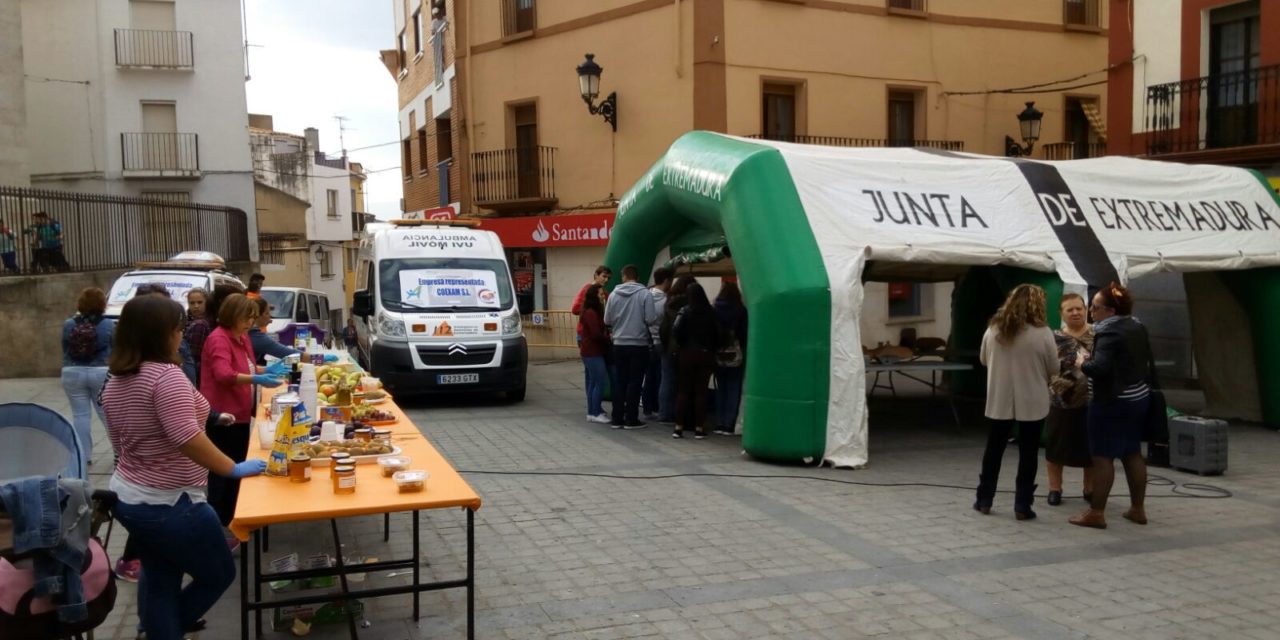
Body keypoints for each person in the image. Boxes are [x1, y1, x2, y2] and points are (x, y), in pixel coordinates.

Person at [101, 294, 266, 640]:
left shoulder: (115, 381)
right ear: (163, 334)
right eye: (178, 328)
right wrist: (232, 468)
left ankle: (157, 627)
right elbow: (187, 438)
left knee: (161, 574)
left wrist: (216, 417)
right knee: (218, 573)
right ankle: (167, 627)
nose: (181, 335)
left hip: (128, 496)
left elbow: (121, 443)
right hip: (171, 502)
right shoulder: (166, 377)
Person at [1069, 282, 1153, 530]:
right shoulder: (1137, 325)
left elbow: (1100, 368)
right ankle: (1137, 509)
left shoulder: (1108, 331)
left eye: (1095, 308)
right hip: (1138, 396)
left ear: (1111, 311)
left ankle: (1096, 512)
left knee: (1103, 456)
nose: (1090, 312)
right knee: (1132, 452)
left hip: (1111, 402)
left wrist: (1082, 362)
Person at [199, 293, 284, 532]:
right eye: (246, 318)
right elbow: (223, 374)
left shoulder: (241, 337)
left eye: (252, 318)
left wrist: (270, 370)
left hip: (240, 411)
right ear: (232, 315)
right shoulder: (218, 339)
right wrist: (257, 378)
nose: (250, 323)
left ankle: (236, 515)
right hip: (223, 414)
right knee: (223, 469)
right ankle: (219, 523)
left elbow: (246, 366)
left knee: (237, 462)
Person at [974, 284, 1058, 521]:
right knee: (1029, 452)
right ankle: (1022, 505)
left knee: (994, 449)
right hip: (1032, 399)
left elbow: (983, 359)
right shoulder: (1043, 333)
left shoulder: (993, 330)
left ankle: (984, 499)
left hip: (1000, 397)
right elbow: (1054, 368)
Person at [1045, 293, 1095, 507]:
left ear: (1086, 310)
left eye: (1079, 308)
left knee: (1091, 448)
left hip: (1093, 401)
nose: (1075, 312)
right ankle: (1055, 489)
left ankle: (1090, 489)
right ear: (1061, 314)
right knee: (1056, 446)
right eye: (1070, 309)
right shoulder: (1053, 337)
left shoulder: (1098, 334)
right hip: (1061, 400)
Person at [61, 287, 114, 463]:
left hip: (72, 371)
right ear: (102, 304)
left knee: (80, 415)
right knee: (106, 413)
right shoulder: (108, 325)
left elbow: (65, 348)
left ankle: (83, 457)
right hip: (100, 371)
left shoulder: (69, 324)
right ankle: (119, 451)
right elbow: (114, 350)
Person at [603, 264, 658, 428]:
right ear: (637, 277)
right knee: (635, 381)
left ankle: (617, 418)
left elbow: (607, 320)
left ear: (624, 277)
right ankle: (631, 419)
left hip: (619, 344)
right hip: (638, 344)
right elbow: (651, 318)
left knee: (620, 381)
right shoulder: (645, 294)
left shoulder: (613, 295)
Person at [672, 283, 720, 440]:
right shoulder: (711, 311)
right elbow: (718, 333)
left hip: (687, 354)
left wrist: (682, 344)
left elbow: (676, 329)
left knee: (683, 391)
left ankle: (679, 427)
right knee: (701, 392)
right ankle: (699, 428)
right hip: (706, 354)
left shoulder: (685, 310)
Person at [658, 275, 695, 424]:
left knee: (666, 380)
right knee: (684, 382)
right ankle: (680, 414)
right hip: (686, 348)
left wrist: (666, 343)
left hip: (669, 347)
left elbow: (664, 328)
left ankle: (664, 413)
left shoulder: (669, 302)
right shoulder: (691, 304)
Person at [713, 279, 748, 435]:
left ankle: (719, 422)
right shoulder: (741, 310)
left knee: (721, 388)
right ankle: (729, 423)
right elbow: (744, 334)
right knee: (734, 388)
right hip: (736, 353)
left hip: (718, 352)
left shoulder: (714, 309)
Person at [642, 267, 673, 421]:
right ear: (667, 280)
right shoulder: (667, 301)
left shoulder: (645, 297)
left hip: (647, 341)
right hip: (661, 342)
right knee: (662, 376)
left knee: (649, 376)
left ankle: (648, 408)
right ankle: (661, 408)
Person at [579, 284, 612, 424]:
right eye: (600, 294)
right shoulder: (591, 312)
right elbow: (596, 334)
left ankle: (592, 412)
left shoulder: (589, 311)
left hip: (590, 351)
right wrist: (608, 338)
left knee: (593, 382)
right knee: (599, 382)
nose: (602, 296)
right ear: (594, 296)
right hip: (593, 352)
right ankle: (596, 412)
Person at [249, 297, 300, 366]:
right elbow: (290, 355)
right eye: (267, 313)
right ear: (257, 316)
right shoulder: (255, 335)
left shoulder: (253, 334)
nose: (270, 316)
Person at [185, 288, 212, 382]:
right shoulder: (187, 319)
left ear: (206, 302)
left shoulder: (200, 324)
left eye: (200, 302)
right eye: (192, 303)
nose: (196, 306)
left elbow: (194, 357)